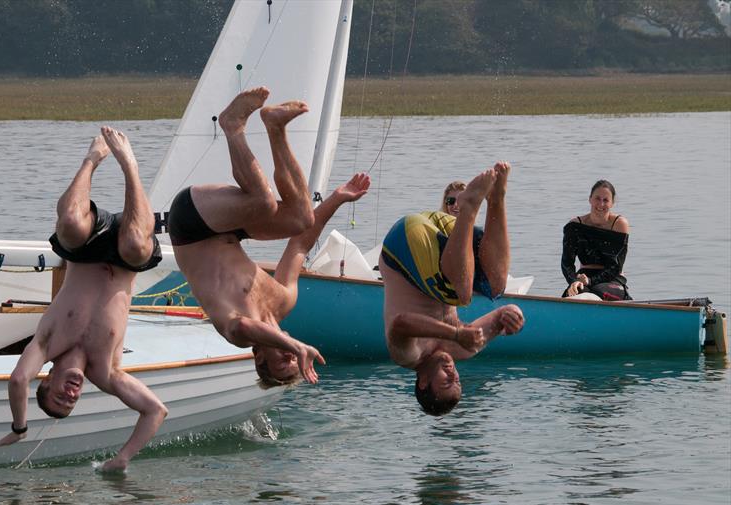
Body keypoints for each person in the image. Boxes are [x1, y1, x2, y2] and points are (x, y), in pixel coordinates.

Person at [168, 87, 370, 386]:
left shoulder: (235, 333)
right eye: (294, 362)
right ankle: (276, 127)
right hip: (228, 230)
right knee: (301, 218)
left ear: (259, 357)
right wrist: (337, 198)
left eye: (283, 363)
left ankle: (232, 126)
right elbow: (301, 244)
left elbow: (246, 325)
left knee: (262, 201)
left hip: (190, 226)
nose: (291, 358)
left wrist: (295, 345)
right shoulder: (284, 301)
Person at [0, 127, 168, 472]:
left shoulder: (45, 345)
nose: (71, 394)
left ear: (47, 380)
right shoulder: (107, 372)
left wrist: (19, 427)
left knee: (72, 222)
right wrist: (122, 459)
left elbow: (17, 380)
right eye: (72, 402)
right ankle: (129, 164)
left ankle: (93, 158)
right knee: (136, 244)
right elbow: (155, 411)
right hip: (127, 257)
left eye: (60, 395)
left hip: (86, 247)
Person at [379, 163, 525, 416]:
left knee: (460, 295)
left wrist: (457, 332)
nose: (452, 372)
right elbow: (504, 312)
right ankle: (497, 199)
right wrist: (513, 319)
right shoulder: (465, 348)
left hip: (404, 242)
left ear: (423, 382)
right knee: (495, 286)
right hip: (443, 233)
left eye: (446, 380)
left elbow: (401, 323)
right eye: (456, 379)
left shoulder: (408, 356)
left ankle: (468, 207)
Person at [561, 179, 631, 300]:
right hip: (583, 276)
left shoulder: (619, 224)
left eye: (606, 200)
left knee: (598, 292)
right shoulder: (574, 226)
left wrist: (590, 281)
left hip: (612, 279)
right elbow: (566, 263)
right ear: (590, 199)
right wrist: (573, 281)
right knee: (575, 292)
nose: (601, 204)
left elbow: (616, 266)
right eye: (597, 199)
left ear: (612, 203)